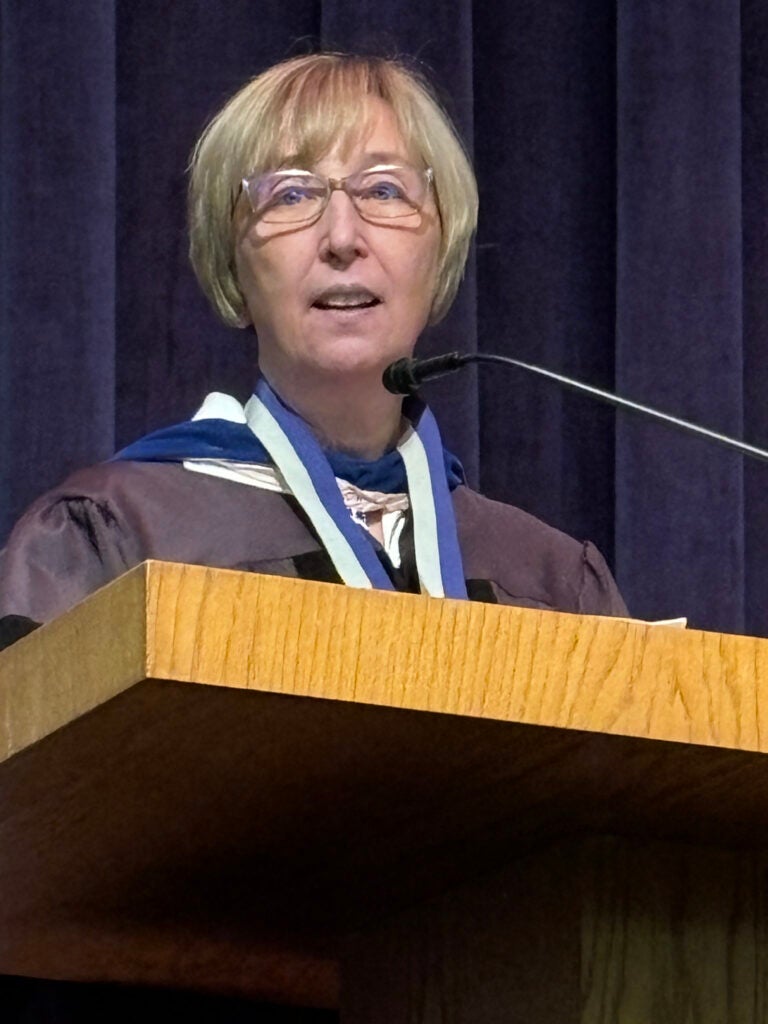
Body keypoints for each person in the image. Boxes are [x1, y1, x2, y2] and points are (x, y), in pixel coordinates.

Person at [0, 53, 627, 627]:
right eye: (291, 194)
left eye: (384, 190)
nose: (342, 237)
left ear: (439, 254)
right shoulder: (114, 539)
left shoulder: (552, 581)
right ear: (231, 266)